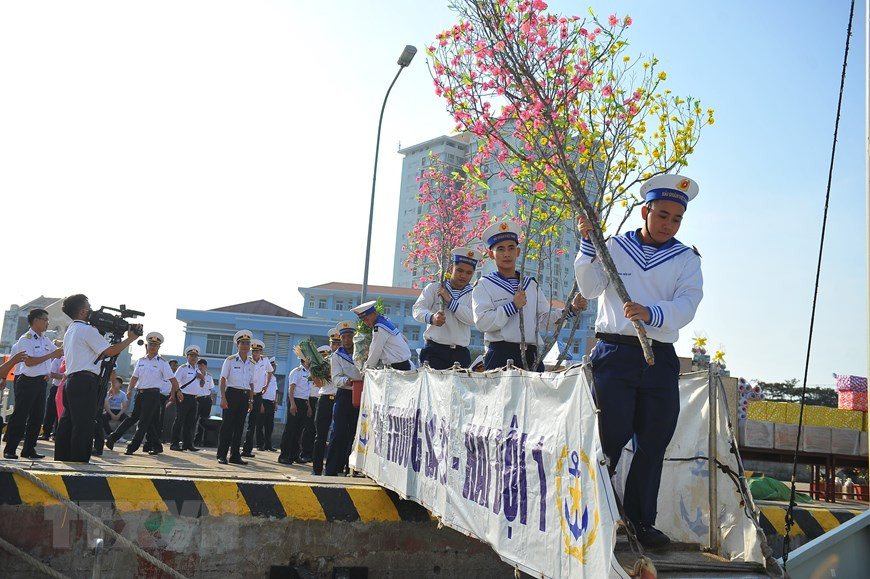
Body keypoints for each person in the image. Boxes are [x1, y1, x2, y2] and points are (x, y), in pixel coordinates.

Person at [574, 174, 703, 548]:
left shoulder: (685, 259)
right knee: (608, 438)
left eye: (676, 219)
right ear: (646, 211)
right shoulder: (612, 246)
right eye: (662, 215)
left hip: (658, 358)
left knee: (653, 441)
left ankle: (641, 522)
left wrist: (651, 313)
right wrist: (587, 242)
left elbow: (687, 304)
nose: (669, 224)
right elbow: (589, 288)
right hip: (615, 354)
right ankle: (597, 514)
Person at [473, 220, 587, 371]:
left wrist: (571, 310)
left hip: (532, 354)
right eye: (500, 249)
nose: (506, 254)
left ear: (518, 252)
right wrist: (512, 307)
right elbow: (482, 322)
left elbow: (544, 321)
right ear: (491, 255)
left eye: (511, 248)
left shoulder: (530, 285)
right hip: (501, 353)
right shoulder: (484, 285)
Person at [55, 294, 141, 462]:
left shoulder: (71, 330)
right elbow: (110, 351)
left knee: (68, 421)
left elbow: (92, 355)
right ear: (82, 312)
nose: (92, 311)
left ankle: (63, 457)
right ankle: (79, 459)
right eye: (88, 307)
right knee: (84, 423)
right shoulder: (87, 330)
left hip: (72, 381)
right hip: (85, 381)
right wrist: (130, 339)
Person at [4, 309, 64, 460]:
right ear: (36, 320)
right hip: (27, 382)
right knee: (20, 416)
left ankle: (29, 449)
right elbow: (29, 362)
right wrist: (51, 355)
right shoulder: (26, 339)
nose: (47, 323)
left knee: (37, 417)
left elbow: (58, 352)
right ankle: (10, 448)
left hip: (41, 383)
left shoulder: (44, 340)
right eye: (45, 320)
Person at [110, 332, 182, 456]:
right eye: (150, 344)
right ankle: (156, 446)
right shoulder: (141, 361)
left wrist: (178, 391)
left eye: (155, 345)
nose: (152, 347)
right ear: (146, 345)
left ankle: (132, 446)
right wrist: (130, 389)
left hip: (153, 395)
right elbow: (134, 377)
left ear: (159, 347)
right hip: (140, 394)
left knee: (143, 422)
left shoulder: (162, 362)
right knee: (142, 420)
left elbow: (172, 379)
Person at [413, 248, 481, 369]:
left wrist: (450, 302)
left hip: (460, 353)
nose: (464, 276)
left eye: (469, 273)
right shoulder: (435, 287)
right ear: (451, 269)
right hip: (434, 351)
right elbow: (417, 309)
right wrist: (431, 318)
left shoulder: (474, 293)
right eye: (459, 270)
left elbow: (473, 318)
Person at [325, 320, 362, 476]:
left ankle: (352, 469)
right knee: (338, 432)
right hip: (344, 394)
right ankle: (331, 470)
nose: (347, 340)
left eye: (349, 336)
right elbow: (335, 378)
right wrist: (347, 380)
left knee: (356, 433)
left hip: (360, 395)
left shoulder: (362, 352)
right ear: (341, 339)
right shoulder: (336, 356)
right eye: (344, 337)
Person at [217, 329, 255, 465]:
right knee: (227, 426)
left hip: (244, 396)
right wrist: (223, 398)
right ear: (237, 345)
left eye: (247, 343)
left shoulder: (251, 363)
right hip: (231, 394)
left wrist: (251, 401)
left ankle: (235, 455)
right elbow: (222, 380)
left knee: (239, 427)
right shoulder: (230, 360)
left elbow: (251, 383)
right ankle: (222, 454)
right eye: (242, 343)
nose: (245, 346)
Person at [351, 301, 413, 370]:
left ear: (373, 314)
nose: (366, 323)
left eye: (367, 319)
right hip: (403, 364)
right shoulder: (384, 322)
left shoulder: (379, 328)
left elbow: (375, 350)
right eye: (363, 321)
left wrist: (367, 368)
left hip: (397, 367)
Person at [311, 328, 341, 475]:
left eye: (338, 343)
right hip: (325, 399)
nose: (336, 346)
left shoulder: (345, 360)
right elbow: (318, 384)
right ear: (330, 344)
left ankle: (332, 469)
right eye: (333, 344)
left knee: (337, 436)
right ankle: (316, 469)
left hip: (339, 399)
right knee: (320, 436)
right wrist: (313, 369)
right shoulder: (323, 361)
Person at [278, 354, 313, 465]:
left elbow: (307, 392)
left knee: (298, 431)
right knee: (290, 430)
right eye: (309, 358)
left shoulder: (310, 373)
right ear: (303, 359)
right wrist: (292, 404)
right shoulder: (296, 371)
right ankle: (284, 455)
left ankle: (294, 455)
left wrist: (308, 407)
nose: (310, 360)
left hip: (304, 402)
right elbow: (291, 389)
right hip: (295, 401)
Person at [170, 345, 205, 451]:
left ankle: (188, 444)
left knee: (190, 422)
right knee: (179, 420)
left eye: (195, 356)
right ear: (187, 357)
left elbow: (202, 385)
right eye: (191, 355)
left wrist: (202, 378)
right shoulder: (183, 368)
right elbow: (175, 382)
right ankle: (174, 443)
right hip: (183, 397)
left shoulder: (197, 370)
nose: (193, 358)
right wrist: (173, 395)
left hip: (194, 398)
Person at [242, 339, 274, 457]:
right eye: (253, 351)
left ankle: (247, 449)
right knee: (239, 421)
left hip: (258, 394)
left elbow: (270, 372)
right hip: (245, 393)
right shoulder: (248, 361)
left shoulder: (265, 360)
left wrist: (266, 384)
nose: (254, 353)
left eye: (256, 351)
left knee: (252, 423)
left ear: (261, 352)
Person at [41, 341, 65, 441]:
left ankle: (57, 434)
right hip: (56, 387)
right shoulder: (58, 359)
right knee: (50, 411)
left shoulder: (74, 358)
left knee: (62, 412)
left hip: (66, 389)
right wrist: (64, 376)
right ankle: (46, 433)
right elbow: (51, 373)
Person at [193, 359, 215, 447]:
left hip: (207, 400)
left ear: (205, 366)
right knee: (194, 420)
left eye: (202, 365)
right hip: (198, 399)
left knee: (204, 421)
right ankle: (190, 439)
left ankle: (198, 440)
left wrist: (211, 399)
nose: (200, 367)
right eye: (199, 365)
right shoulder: (195, 375)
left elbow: (211, 389)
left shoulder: (209, 376)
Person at [259, 359, 278, 451]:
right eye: (272, 366)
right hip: (264, 402)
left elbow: (275, 391)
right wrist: (261, 404)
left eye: (274, 366)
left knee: (269, 425)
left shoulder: (274, 378)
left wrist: (275, 403)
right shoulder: (263, 375)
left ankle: (268, 444)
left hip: (271, 402)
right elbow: (259, 391)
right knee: (260, 424)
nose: (273, 368)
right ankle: (260, 444)